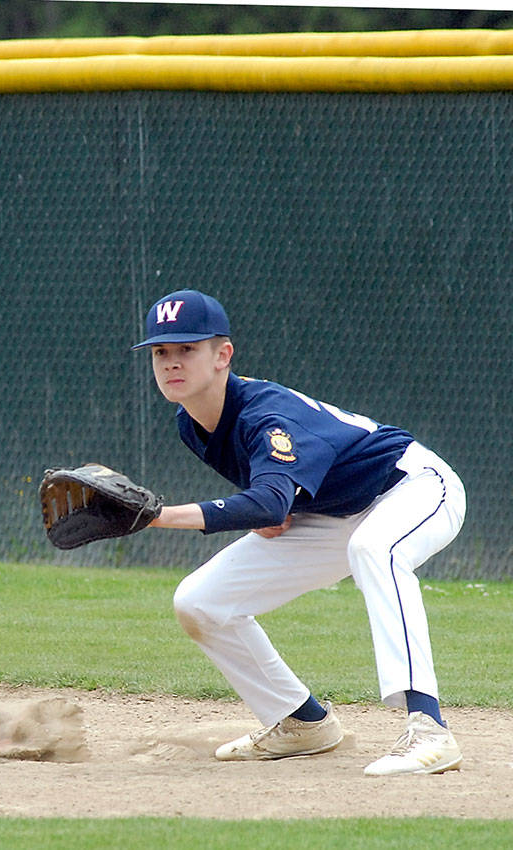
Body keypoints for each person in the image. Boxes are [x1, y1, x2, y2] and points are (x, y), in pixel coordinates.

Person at [133, 289, 466, 776]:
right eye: (161, 352)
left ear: (223, 355)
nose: (171, 363)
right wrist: (271, 511)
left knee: (375, 549)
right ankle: (301, 721)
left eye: (187, 349)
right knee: (199, 600)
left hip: (411, 486)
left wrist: (158, 515)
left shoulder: (266, 414)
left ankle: (429, 728)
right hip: (333, 514)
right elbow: (272, 502)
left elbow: (268, 499)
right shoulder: (191, 422)